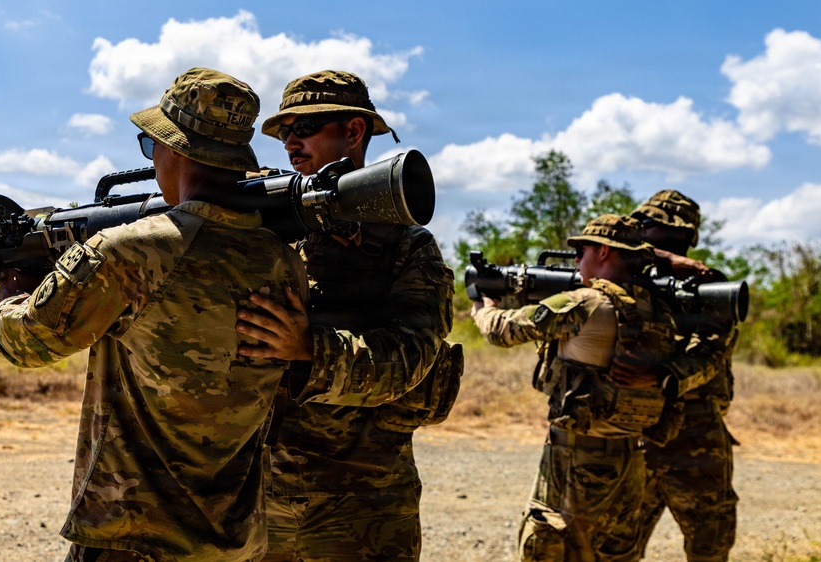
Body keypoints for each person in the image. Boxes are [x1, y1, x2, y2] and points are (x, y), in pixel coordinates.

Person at [0, 67, 308, 562]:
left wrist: (10, 295)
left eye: (150, 144)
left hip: (134, 538)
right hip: (234, 541)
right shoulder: (282, 259)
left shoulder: (131, 253)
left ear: (173, 150)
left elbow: (27, 341)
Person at [234, 70, 456, 561]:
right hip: (260, 498)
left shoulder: (407, 246)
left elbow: (413, 356)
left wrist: (310, 348)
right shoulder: (268, 231)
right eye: (284, 131)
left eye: (305, 128)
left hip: (362, 506)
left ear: (353, 132)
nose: (290, 142)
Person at [471, 215, 677, 561]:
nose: (578, 260)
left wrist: (483, 307)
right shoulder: (655, 311)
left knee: (549, 547)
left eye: (582, 250)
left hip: (577, 458)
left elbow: (503, 331)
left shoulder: (585, 303)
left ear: (604, 252)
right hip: (631, 460)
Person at [629, 190, 739, 561]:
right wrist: (660, 258)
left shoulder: (710, 284)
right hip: (637, 430)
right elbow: (601, 241)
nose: (645, 231)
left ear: (685, 235)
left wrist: (662, 376)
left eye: (654, 226)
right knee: (615, 546)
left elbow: (711, 351)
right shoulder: (628, 277)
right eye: (645, 226)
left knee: (709, 545)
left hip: (697, 437)